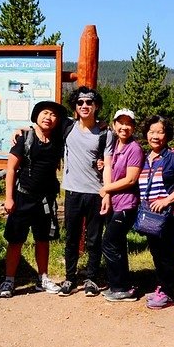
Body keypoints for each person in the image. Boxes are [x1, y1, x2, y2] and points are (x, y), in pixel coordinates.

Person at [0, 100, 67, 298]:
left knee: (43, 240)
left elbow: (82, 123)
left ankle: (42, 278)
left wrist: (103, 125)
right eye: (45, 113)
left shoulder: (58, 138)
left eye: (53, 115)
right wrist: (9, 198)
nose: (48, 117)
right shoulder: (25, 138)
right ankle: (9, 280)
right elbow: (11, 169)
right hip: (22, 197)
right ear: (37, 115)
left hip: (45, 200)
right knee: (15, 240)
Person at [57, 87, 113, 297]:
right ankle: (70, 278)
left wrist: (106, 192)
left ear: (96, 106)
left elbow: (107, 165)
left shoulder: (105, 134)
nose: (84, 106)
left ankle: (91, 278)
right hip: (72, 191)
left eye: (89, 102)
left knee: (94, 238)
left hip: (95, 193)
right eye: (80, 103)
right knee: (71, 237)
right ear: (75, 106)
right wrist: (21, 130)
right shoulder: (68, 127)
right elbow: (42, 127)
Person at [137, 115, 174, 310]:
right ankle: (162, 285)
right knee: (156, 251)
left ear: (167, 135)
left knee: (166, 252)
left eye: (160, 132)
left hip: (172, 212)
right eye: (151, 132)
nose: (155, 136)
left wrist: (166, 200)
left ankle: (168, 292)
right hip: (152, 215)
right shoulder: (144, 158)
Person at [98, 109, 144, 302]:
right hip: (116, 202)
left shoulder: (134, 148)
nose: (124, 127)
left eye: (128, 123)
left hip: (126, 204)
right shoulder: (116, 145)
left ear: (133, 127)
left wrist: (106, 189)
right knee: (117, 244)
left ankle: (120, 287)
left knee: (109, 242)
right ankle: (122, 285)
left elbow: (131, 179)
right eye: (120, 123)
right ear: (114, 125)